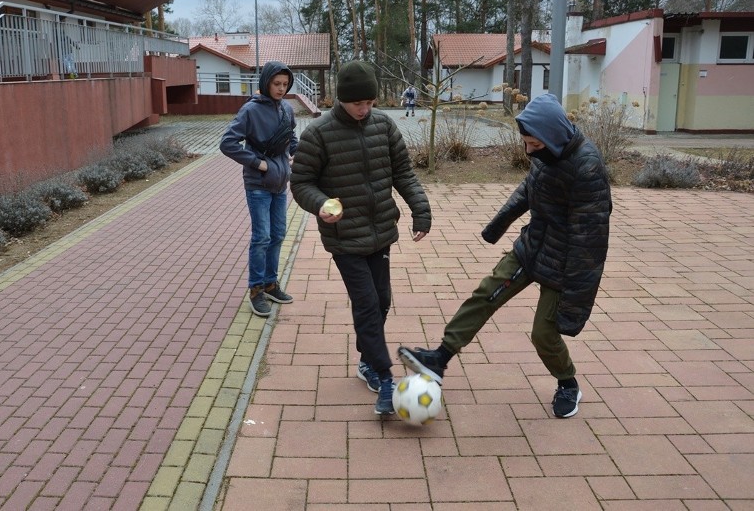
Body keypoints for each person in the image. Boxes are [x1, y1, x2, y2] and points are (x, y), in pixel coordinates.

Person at [398, 93, 612, 418]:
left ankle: (568, 383)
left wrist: (574, 307)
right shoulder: (546, 152)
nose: (528, 151)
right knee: (486, 294)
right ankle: (439, 359)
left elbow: (590, 245)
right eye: (526, 143)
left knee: (544, 334)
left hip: (565, 263)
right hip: (533, 246)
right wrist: (497, 225)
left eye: (534, 145)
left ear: (553, 136)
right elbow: (530, 188)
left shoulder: (587, 168)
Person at [291, 60, 432, 415]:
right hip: (344, 236)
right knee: (367, 302)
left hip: (381, 231)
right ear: (342, 99)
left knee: (382, 299)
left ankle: (367, 359)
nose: (365, 109)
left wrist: (421, 211)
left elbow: (403, 172)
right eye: (359, 104)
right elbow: (301, 183)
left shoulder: (383, 125)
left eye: (370, 103)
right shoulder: (318, 133)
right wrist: (321, 203)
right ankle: (385, 378)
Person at [220, 61, 298, 317]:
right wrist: (257, 163)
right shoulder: (250, 111)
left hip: (280, 182)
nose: (281, 89)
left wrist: (295, 154)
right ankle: (255, 290)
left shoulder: (287, 108)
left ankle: (270, 283)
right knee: (261, 237)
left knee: (278, 235)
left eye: (285, 85)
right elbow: (228, 143)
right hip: (258, 185)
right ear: (266, 82)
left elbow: (292, 138)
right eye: (277, 84)